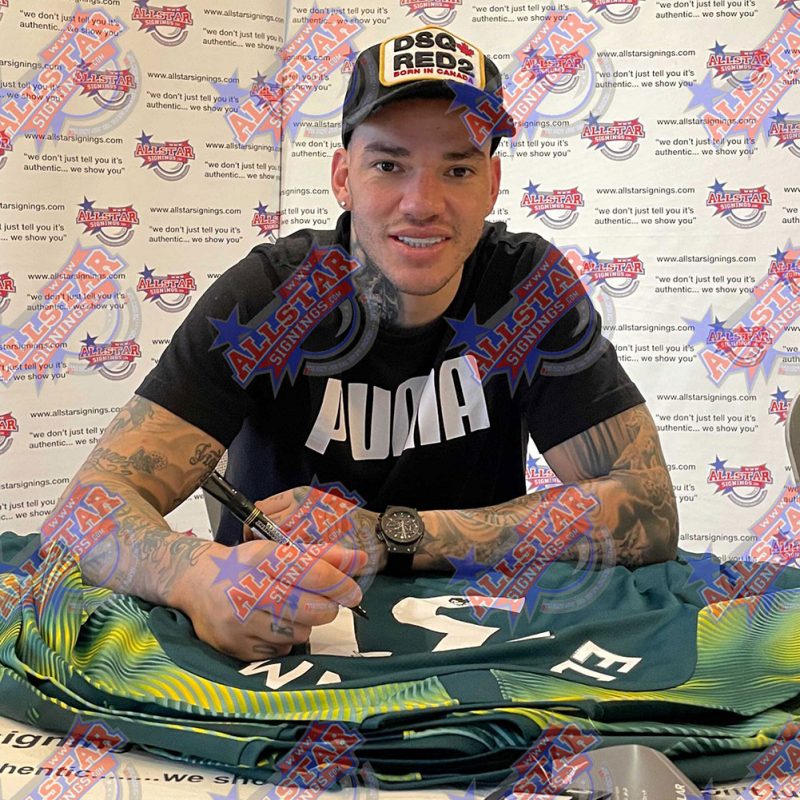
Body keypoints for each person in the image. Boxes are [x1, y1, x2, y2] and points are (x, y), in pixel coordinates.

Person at [42, 26, 678, 662]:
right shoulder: (269, 298)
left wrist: (391, 535)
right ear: (343, 177)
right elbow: (83, 513)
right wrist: (195, 576)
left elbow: (649, 511)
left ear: (492, 183)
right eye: (388, 165)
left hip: (477, 648)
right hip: (283, 643)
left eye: (458, 168)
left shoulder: (526, 291)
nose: (422, 203)